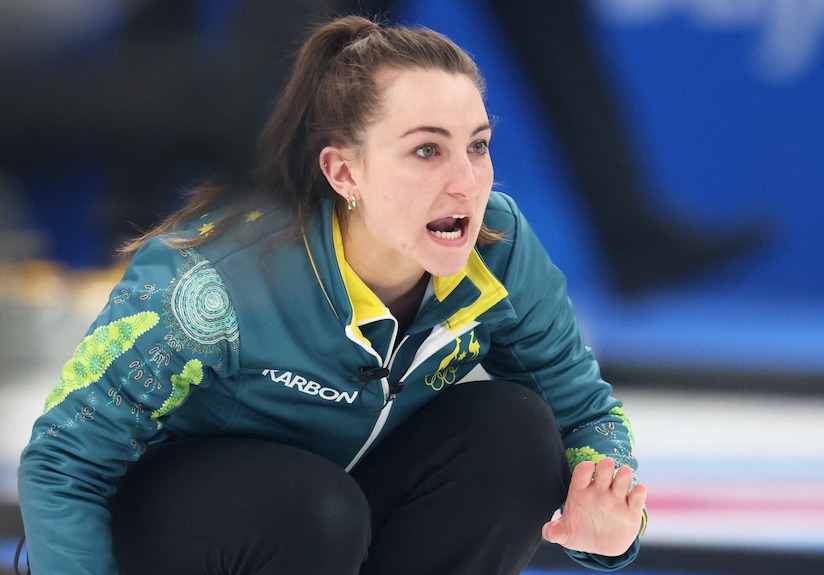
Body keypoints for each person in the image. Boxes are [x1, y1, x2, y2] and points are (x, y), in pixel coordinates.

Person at [17, 15, 647, 575]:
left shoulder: (499, 251)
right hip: (181, 531)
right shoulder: (214, 283)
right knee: (315, 510)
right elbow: (62, 463)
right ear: (344, 172)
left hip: (332, 511)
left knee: (514, 434)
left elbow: (583, 415)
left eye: (477, 146)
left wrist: (613, 528)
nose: (466, 182)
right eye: (427, 149)